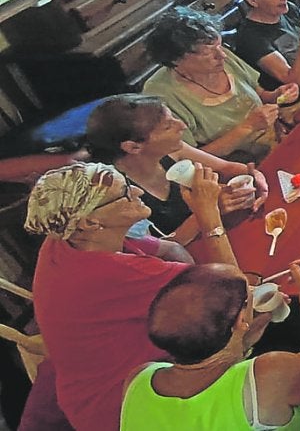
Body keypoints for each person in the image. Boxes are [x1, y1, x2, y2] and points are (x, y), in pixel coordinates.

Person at [25, 161, 237, 431]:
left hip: (88, 390)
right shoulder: (112, 273)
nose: (136, 192)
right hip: (128, 407)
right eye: (124, 193)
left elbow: (171, 250)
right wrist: (208, 214)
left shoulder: (66, 238)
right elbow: (235, 289)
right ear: (90, 221)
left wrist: (193, 274)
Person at [121, 260, 300, 430]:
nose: (254, 290)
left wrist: (243, 342)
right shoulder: (270, 374)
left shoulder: (137, 379)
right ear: (241, 320)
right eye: (248, 292)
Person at [86, 94, 268, 246]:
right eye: (168, 126)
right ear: (133, 147)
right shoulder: (117, 194)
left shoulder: (175, 150)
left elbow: (229, 168)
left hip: (222, 237)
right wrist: (207, 211)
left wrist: (255, 176)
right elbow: (163, 248)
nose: (182, 125)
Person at [142, 8, 294, 161]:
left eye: (220, 46)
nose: (222, 55)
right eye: (208, 53)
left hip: (277, 138)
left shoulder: (222, 58)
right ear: (176, 59)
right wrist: (247, 127)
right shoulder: (162, 95)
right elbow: (188, 158)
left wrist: (277, 95)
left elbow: (261, 95)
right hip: (242, 163)